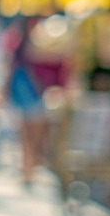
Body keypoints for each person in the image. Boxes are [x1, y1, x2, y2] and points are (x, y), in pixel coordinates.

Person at [6, 14, 71, 188]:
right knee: (32, 134)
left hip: (25, 91)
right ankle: (30, 170)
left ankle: (29, 170)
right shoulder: (30, 44)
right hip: (29, 92)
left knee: (29, 135)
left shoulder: (21, 44)